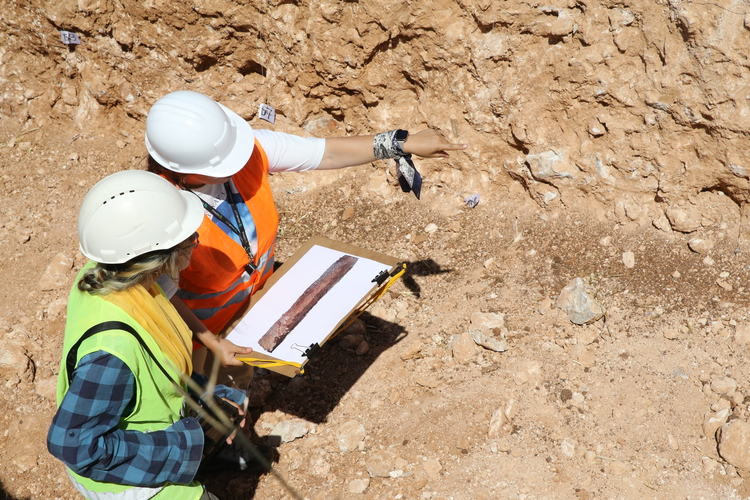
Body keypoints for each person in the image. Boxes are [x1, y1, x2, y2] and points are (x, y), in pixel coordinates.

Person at [145, 90, 467, 387]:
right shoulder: (160, 210)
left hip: (251, 317)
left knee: (235, 392)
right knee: (195, 408)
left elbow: (323, 153)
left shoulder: (246, 150)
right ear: (184, 170)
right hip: (192, 337)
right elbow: (164, 292)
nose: (237, 160)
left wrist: (400, 143)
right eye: (223, 161)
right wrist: (213, 343)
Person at [47, 170, 257, 500]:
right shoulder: (112, 353)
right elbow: (74, 445)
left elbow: (158, 364)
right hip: (126, 481)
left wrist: (204, 397)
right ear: (156, 257)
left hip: (157, 427)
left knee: (231, 399)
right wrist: (187, 445)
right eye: (188, 239)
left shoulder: (109, 273)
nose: (193, 244)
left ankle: (208, 452)